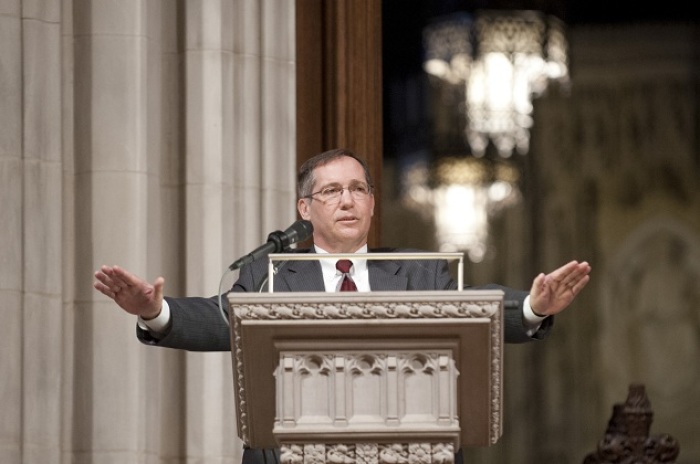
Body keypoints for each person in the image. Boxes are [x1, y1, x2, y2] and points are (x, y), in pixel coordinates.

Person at [94, 148, 591, 462]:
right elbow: (219, 319)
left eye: (358, 190)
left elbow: (474, 307)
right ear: (305, 210)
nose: (348, 201)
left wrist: (531, 306)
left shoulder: (419, 272)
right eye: (332, 191)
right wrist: (153, 311)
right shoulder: (270, 275)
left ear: (374, 204)